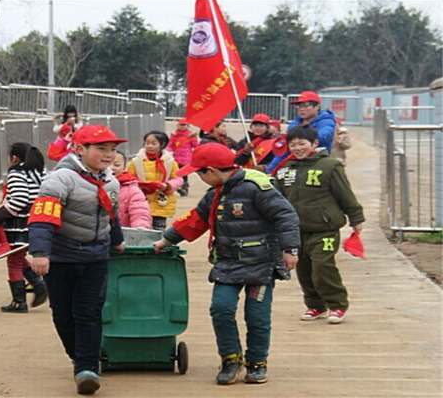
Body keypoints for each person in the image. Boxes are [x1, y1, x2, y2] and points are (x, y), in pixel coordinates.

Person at [153, 143, 300, 386]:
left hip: (261, 265)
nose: (199, 178)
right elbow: (196, 219)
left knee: (257, 317)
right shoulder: (215, 194)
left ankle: (257, 362)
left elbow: (286, 215)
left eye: (199, 173)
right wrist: (165, 240)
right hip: (227, 263)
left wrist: (290, 249)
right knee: (220, 309)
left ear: (210, 170)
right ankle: (231, 359)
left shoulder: (258, 188)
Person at [28, 125, 126, 395]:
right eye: (101, 149)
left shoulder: (111, 182)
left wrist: (117, 240)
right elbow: (42, 218)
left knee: (89, 313)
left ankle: (87, 368)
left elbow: (112, 215)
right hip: (61, 259)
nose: (108, 155)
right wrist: (40, 253)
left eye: (113, 149)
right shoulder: (60, 180)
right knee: (63, 316)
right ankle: (77, 357)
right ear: (80, 150)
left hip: (95, 258)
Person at [273, 126, 364, 324]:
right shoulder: (284, 169)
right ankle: (315, 305)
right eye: (293, 144)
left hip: (325, 229)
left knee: (323, 266)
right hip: (296, 231)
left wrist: (356, 218)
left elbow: (345, 194)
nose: (297, 148)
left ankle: (337, 305)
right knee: (304, 270)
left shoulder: (330, 166)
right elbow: (278, 199)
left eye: (302, 143)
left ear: (314, 144)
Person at [0, 142, 48, 313]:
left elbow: (19, 199)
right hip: (38, 220)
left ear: (14, 158)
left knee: (14, 261)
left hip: (19, 224)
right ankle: (38, 285)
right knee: (18, 257)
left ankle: (19, 302)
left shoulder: (17, 173)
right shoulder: (41, 171)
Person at [267, 91, 336, 174]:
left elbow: (324, 135)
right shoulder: (294, 125)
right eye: (299, 106)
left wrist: (301, 136)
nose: (301, 109)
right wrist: (270, 171)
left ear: (317, 106)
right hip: (295, 166)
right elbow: (284, 151)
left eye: (306, 106)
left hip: (317, 166)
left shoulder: (326, 121)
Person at [127, 131, 183, 230]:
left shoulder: (170, 162)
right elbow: (129, 177)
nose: (149, 146)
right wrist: (139, 185)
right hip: (141, 201)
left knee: (159, 230)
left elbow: (178, 179)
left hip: (161, 202)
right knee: (142, 228)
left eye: (153, 143)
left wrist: (167, 186)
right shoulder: (136, 162)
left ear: (162, 145)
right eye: (147, 143)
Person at [111, 151, 152, 229]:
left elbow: (140, 212)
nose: (111, 168)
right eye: (107, 163)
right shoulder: (92, 185)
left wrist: (139, 230)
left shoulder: (132, 190)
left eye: (117, 165)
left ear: (124, 168)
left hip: (123, 236)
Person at [167, 118, 199, 197]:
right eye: (181, 125)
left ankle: (184, 188)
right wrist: (168, 152)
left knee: (184, 175)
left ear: (188, 126)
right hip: (176, 158)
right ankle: (178, 187)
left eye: (184, 125)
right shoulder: (174, 135)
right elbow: (170, 145)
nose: (182, 127)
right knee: (176, 173)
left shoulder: (190, 135)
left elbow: (195, 145)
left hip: (186, 158)